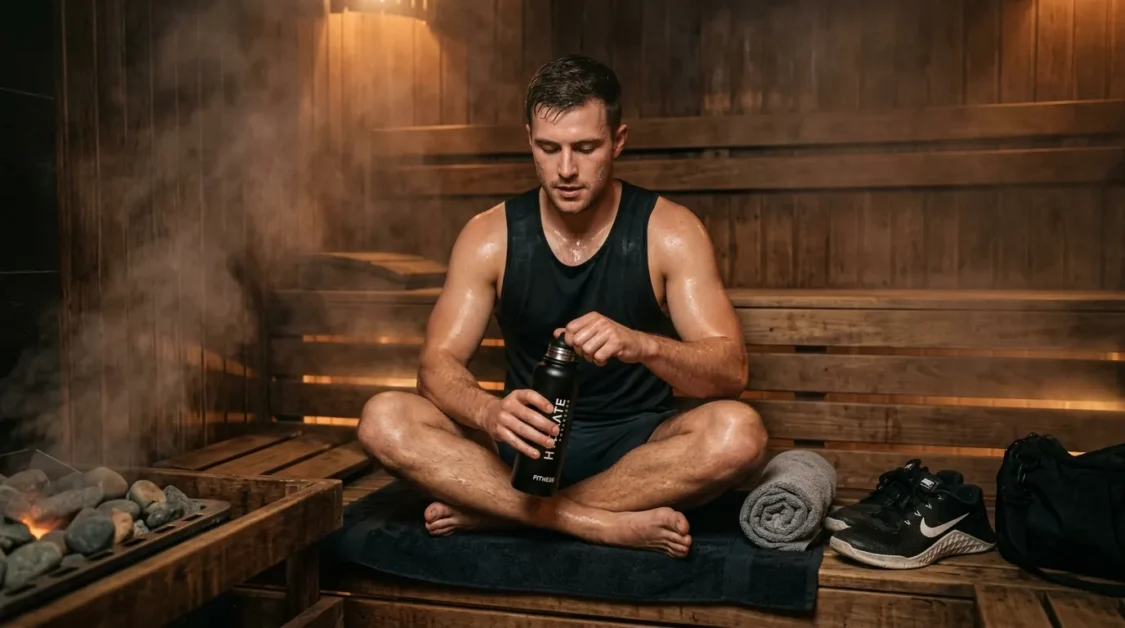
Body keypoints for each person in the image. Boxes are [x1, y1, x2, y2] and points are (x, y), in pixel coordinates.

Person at [357, 54, 768, 559]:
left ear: (618, 141)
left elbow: (730, 372)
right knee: (383, 418)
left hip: (636, 453)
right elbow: (434, 368)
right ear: (529, 139)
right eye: (549, 149)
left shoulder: (670, 231)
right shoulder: (490, 237)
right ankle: (591, 524)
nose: (566, 170)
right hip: (522, 448)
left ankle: (503, 515)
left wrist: (640, 344)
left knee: (738, 432)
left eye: (586, 148)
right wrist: (488, 413)